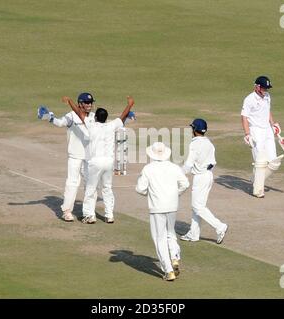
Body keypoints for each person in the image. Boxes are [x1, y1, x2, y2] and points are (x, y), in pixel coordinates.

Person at [63, 96, 134, 224]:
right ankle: (109, 215)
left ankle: (90, 216)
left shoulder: (91, 125)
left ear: (96, 118)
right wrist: (130, 105)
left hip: (95, 163)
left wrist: (70, 102)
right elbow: (122, 117)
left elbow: (79, 114)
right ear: (106, 118)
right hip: (108, 162)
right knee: (107, 188)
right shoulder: (111, 125)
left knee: (91, 189)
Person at [37, 93, 96, 221]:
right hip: (75, 156)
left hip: (89, 157)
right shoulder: (71, 115)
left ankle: (89, 213)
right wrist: (49, 117)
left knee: (91, 185)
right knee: (72, 184)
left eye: (90, 103)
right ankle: (67, 211)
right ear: (80, 103)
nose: (89, 105)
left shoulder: (93, 117)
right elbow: (60, 123)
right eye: (86, 102)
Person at [136, 142, 190, 281]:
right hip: (172, 205)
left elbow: (140, 189)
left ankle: (168, 270)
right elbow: (185, 184)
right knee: (170, 233)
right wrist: (175, 194)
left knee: (159, 238)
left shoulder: (148, 169)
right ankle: (175, 257)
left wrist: (150, 193)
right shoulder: (174, 167)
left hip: (157, 207)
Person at [179, 119, 228, 244]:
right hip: (208, 175)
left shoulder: (194, 144)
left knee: (198, 207)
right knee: (197, 206)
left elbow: (189, 165)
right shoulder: (209, 143)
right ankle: (194, 234)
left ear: (195, 130)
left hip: (200, 177)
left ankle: (219, 226)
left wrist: (177, 174)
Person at [241, 76, 284, 198]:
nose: (266, 90)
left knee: (273, 162)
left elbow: (268, 110)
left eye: (267, 88)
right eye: (264, 88)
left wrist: (273, 124)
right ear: (257, 86)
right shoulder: (249, 99)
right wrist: (247, 134)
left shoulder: (267, 97)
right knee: (261, 162)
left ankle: (256, 178)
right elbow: (244, 117)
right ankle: (258, 190)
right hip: (256, 131)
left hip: (267, 130)